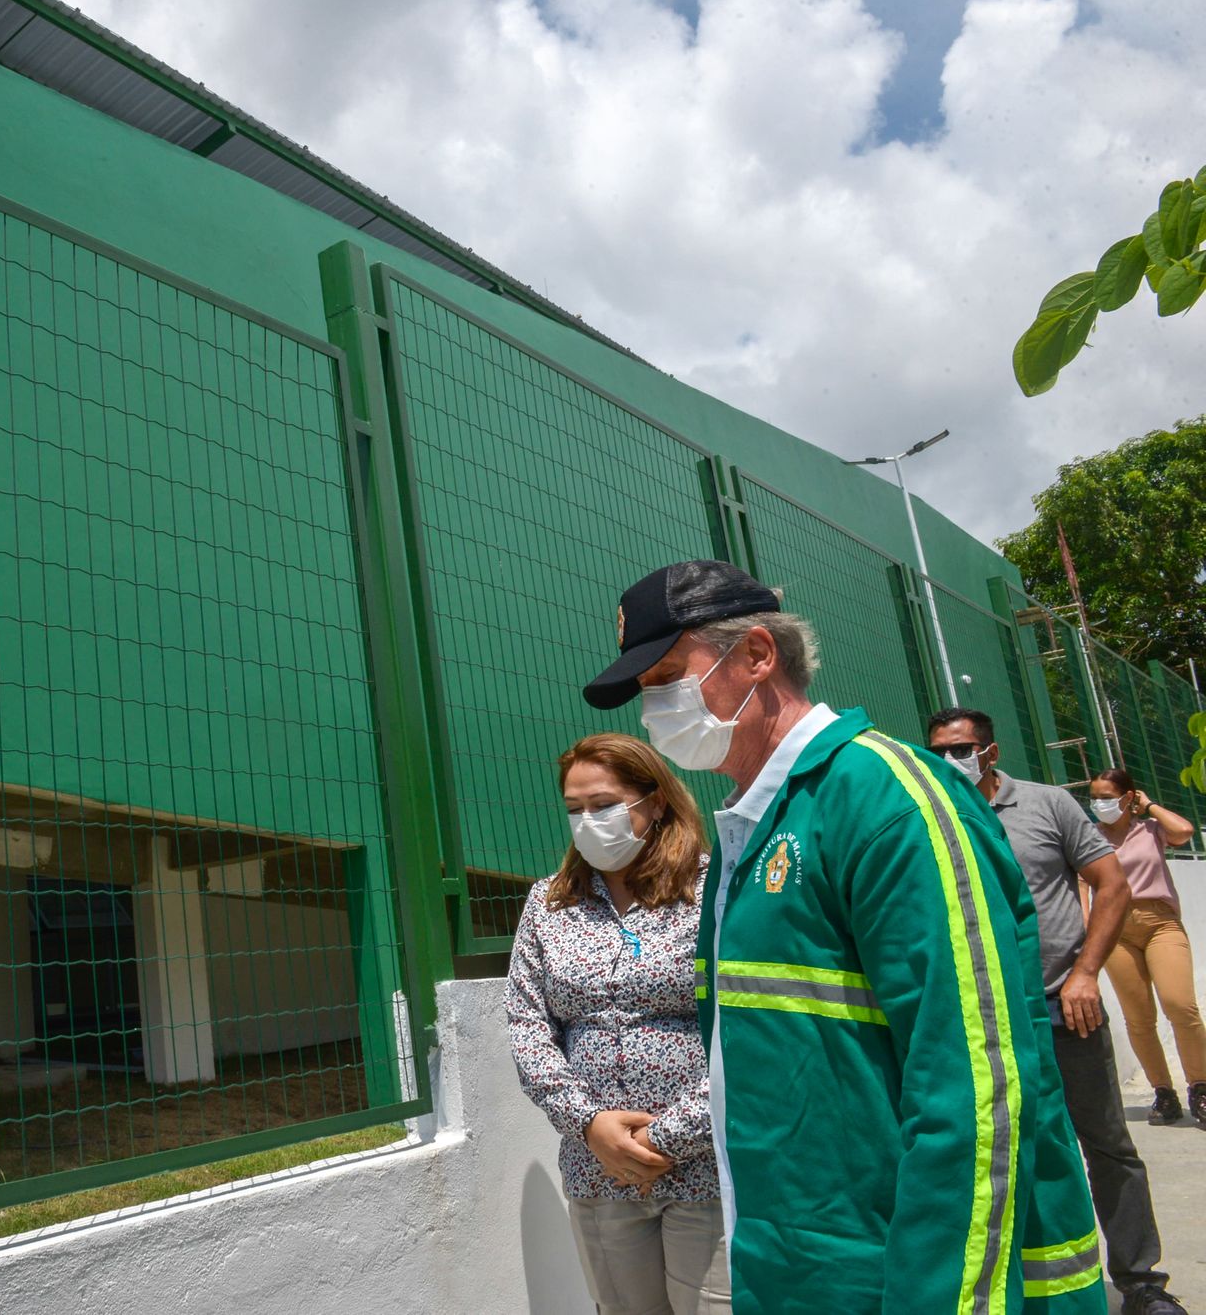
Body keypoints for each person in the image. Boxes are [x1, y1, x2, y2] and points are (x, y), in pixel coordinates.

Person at [581, 558, 1101, 1314]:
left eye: (667, 674)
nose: (653, 706)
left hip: (912, 1274)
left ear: (758, 655)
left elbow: (975, 1087)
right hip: (800, 1265)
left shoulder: (884, 798)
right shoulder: (747, 825)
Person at [926, 707, 1185, 1315]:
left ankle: (1142, 1282)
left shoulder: (1048, 805)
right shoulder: (929, 815)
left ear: (990, 752)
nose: (947, 761)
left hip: (1064, 1007)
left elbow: (1111, 884)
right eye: (936, 749)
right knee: (998, 1153)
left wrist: (1086, 973)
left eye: (959, 749)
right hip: (974, 1019)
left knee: (1106, 1144)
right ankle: (1021, 1284)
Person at [507, 732, 731, 1315]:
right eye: (575, 810)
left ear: (654, 802)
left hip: (705, 1164)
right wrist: (589, 1126)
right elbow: (527, 1022)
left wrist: (665, 1138)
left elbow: (744, 1024)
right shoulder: (550, 903)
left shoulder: (715, 891)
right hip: (598, 1170)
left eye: (604, 805)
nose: (588, 822)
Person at [1086, 767, 1205, 1126]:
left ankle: (1200, 1087)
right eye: (1094, 797)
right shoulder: (1090, 838)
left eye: (1107, 797)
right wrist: (1084, 930)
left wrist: (1149, 805)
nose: (1098, 804)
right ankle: (1163, 1092)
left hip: (1160, 923)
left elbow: (1184, 831)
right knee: (1138, 1018)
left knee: (1179, 1006)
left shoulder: (1151, 831)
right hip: (1115, 930)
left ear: (1128, 797)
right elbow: (1081, 885)